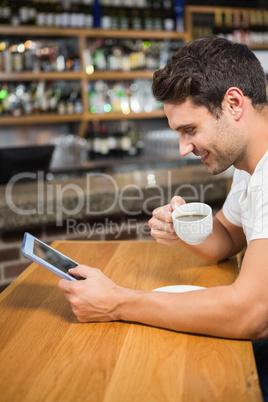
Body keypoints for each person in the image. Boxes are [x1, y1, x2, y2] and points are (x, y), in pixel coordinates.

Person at [58, 36, 268, 399]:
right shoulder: (250, 167)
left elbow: (252, 314)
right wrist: (187, 226)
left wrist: (117, 302)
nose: (184, 148)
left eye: (190, 130)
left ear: (233, 103)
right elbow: (228, 238)